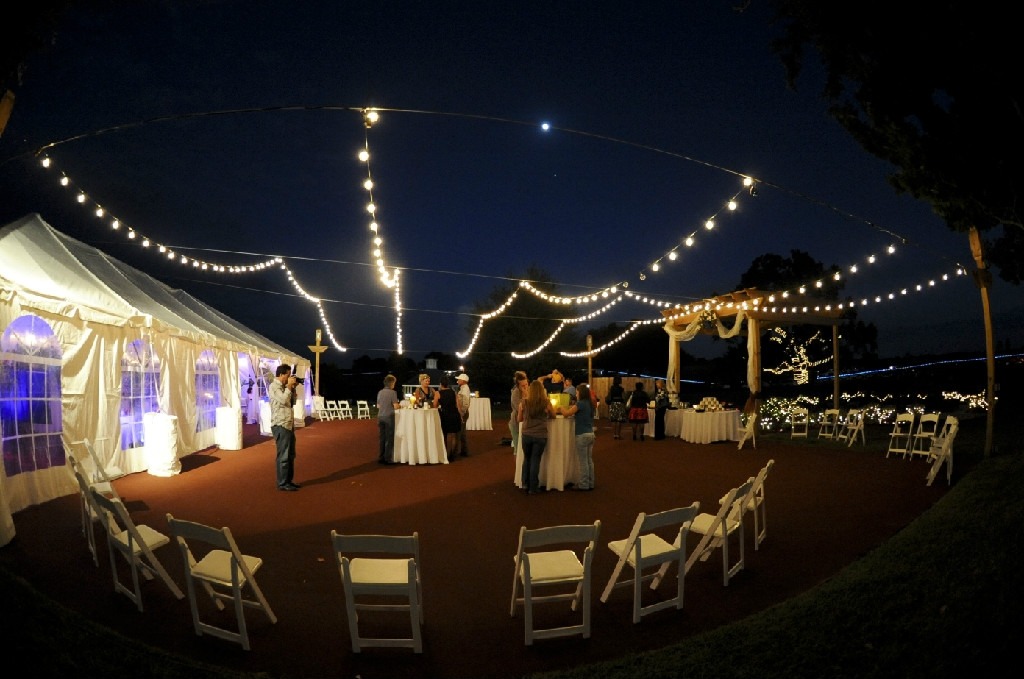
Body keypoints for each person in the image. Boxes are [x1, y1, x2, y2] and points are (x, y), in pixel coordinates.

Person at [518, 379, 556, 494]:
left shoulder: (524, 402)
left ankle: (525, 483)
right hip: (540, 435)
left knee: (527, 458)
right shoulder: (546, 402)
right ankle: (533, 487)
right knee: (535, 460)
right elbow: (553, 415)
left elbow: (519, 419)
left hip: (526, 434)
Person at [269, 364, 300, 491]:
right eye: (288, 375)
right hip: (280, 424)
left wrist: (293, 388)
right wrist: (288, 387)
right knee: (284, 455)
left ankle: (288, 481)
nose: (289, 378)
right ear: (281, 375)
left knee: (291, 454)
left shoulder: (284, 387)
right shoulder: (274, 386)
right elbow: (283, 400)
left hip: (288, 424)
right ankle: (282, 483)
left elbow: (292, 403)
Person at [560, 382, 595, 491]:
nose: (576, 394)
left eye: (577, 392)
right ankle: (590, 482)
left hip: (582, 435)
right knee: (589, 460)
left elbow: (567, 414)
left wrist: (560, 407)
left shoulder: (580, 404)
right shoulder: (590, 404)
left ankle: (583, 484)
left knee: (583, 461)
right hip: (591, 434)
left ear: (581, 393)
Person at [376, 374, 401, 464]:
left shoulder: (380, 392)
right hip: (389, 416)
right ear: (391, 383)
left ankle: (381, 456)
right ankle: (388, 458)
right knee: (389, 438)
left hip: (380, 416)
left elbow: (378, 406)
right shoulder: (392, 393)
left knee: (382, 437)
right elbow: (396, 406)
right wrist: (400, 406)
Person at [437, 376, 462, 461]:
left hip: (445, 414)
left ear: (441, 384)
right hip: (454, 413)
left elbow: (435, 405)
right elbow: (458, 405)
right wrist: (461, 415)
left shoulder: (438, 393)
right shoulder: (453, 392)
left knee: (447, 434)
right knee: (453, 434)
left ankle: (447, 454)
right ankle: (452, 454)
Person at [509, 370, 528, 451]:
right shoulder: (515, 393)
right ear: (518, 386)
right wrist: (525, 396)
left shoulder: (530, 390)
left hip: (526, 424)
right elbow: (520, 408)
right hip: (516, 424)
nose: (525, 387)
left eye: (526, 384)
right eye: (523, 385)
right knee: (518, 449)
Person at [606, 375, 627, 439]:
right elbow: (624, 397)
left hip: (613, 404)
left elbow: (609, 396)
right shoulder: (621, 389)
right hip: (620, 404)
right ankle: (618, 434)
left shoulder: (611, 388)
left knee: (613, 420)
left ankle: (614, 434)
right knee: (619, 420)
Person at [456, 372, 472, 457]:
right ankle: (463, 450)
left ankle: (464, 450)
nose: (458, 381)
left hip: (462, 412)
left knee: (461, 431)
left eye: (459, 379)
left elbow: (465, 402)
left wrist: (462, 412)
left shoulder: (465, 389)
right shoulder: (464, 388)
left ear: (463, 380)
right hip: (463, 411)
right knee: (462, 431)